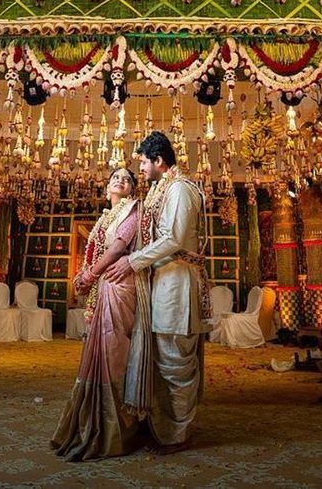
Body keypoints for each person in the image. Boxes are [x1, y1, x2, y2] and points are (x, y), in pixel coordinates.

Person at [104, 131, 210, 455]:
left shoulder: (179, 189)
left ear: (159, 161)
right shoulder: (161, 191)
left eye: (144, 162)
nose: (141, 168)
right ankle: (164, 430)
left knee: (176, 364)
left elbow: (173, 239)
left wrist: (132, 262)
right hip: (162, 285)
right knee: (163, 363)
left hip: (177, 289)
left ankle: (177, 435)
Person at [51, 168, 143, 461]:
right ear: (107, 189)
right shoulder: (106, 216)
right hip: (104, 284)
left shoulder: (132, 211)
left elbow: (117, 249)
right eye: (116, 177)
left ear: (132, 189)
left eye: (128, 179)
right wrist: (88, 275)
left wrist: (89, 275)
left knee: (113, 351)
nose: (121, 180)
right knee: (100, 348)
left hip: (118, 285)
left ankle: (115, 430)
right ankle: (92, 422)